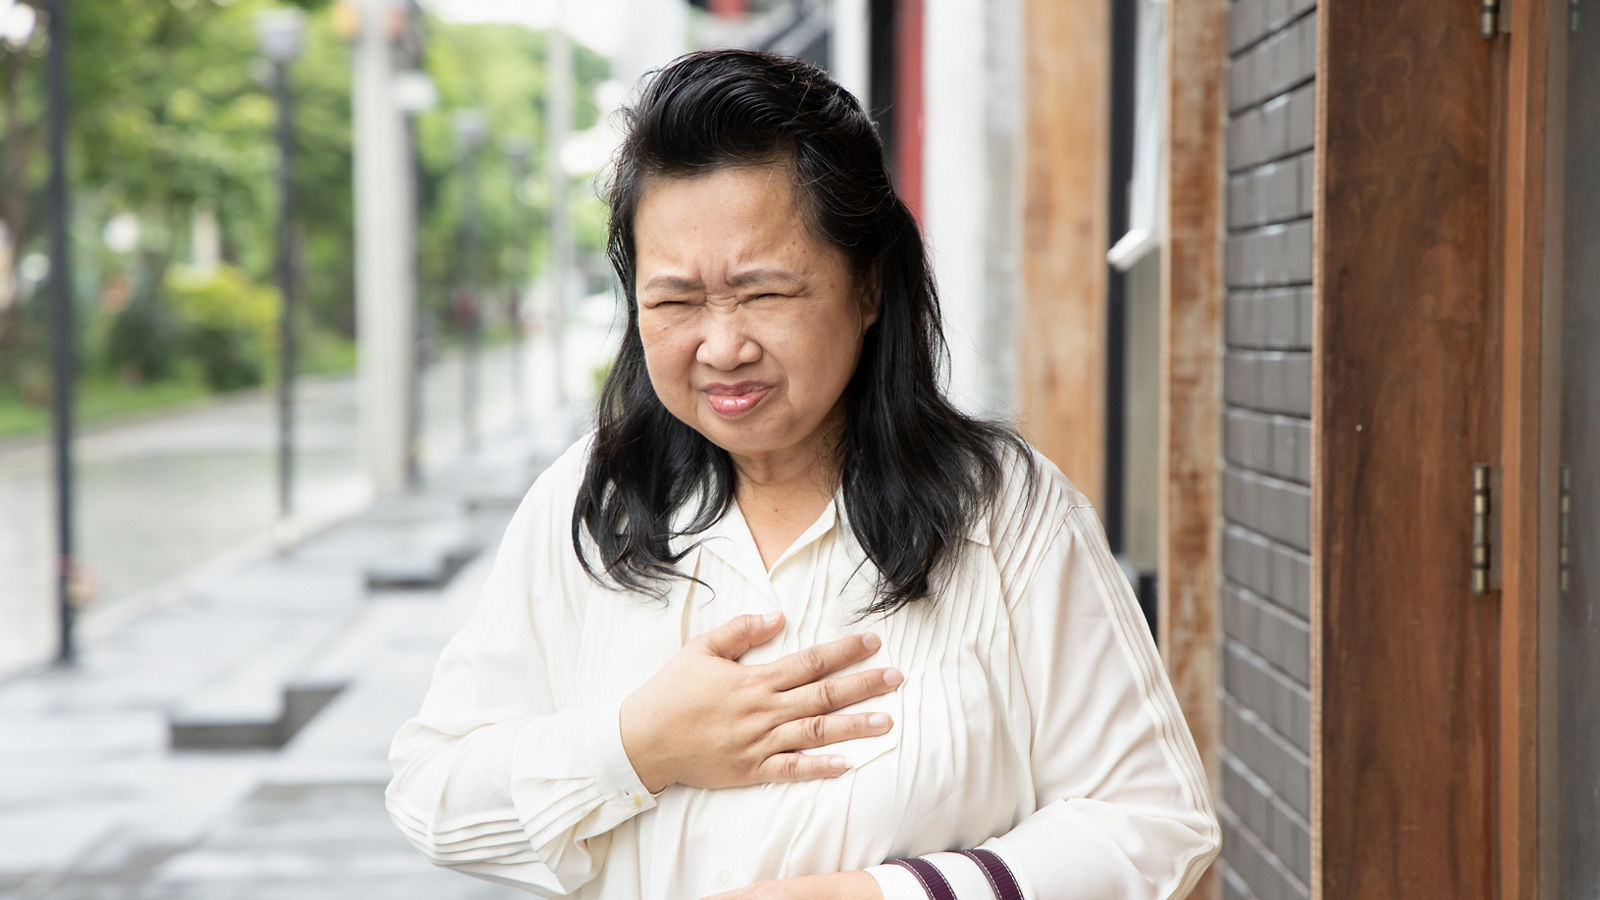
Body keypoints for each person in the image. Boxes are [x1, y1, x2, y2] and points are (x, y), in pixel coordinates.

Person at [386, 49, 1220, 900]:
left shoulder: (1004, 510)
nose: (721, 347)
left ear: (867, 285)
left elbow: (1155, 824)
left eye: (765, 293)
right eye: (674, 301)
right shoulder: (591, 502)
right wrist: (637, 746)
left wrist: (881, 895)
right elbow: (431, 792)